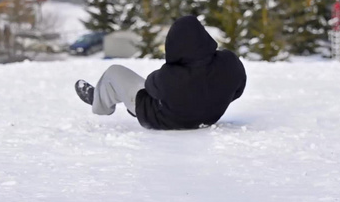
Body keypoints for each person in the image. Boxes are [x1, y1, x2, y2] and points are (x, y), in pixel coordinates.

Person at [75, 15, 247, 130]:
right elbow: (238, 91)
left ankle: (99, 104)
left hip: (160, 120)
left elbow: (150, 86)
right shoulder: (229, 62)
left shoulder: (172, 76)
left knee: (114, 73)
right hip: (209, 117)